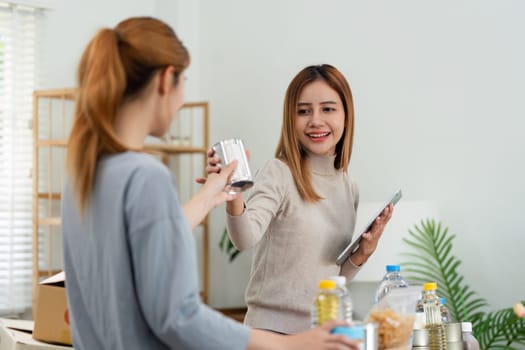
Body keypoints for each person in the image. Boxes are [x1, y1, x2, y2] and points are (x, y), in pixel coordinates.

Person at [61, 17, 359, 350]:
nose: (182, 99)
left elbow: (139, 250)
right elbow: (178, 317)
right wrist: (290, 345)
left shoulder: (83, 174)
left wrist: (210, 195)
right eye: (184, 81)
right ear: (165, 80)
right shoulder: (147, 177)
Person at [205, 64, 394, 334]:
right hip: (270, 336)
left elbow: (333, 279)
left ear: (346, 116)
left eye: (328, 109)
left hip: (318, 334)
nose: (315, 120)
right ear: (290, 119)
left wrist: (363, 253)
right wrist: (233, 193)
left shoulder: (348, 186)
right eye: (303, 111)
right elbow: (244, 238)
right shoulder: (279, 173)